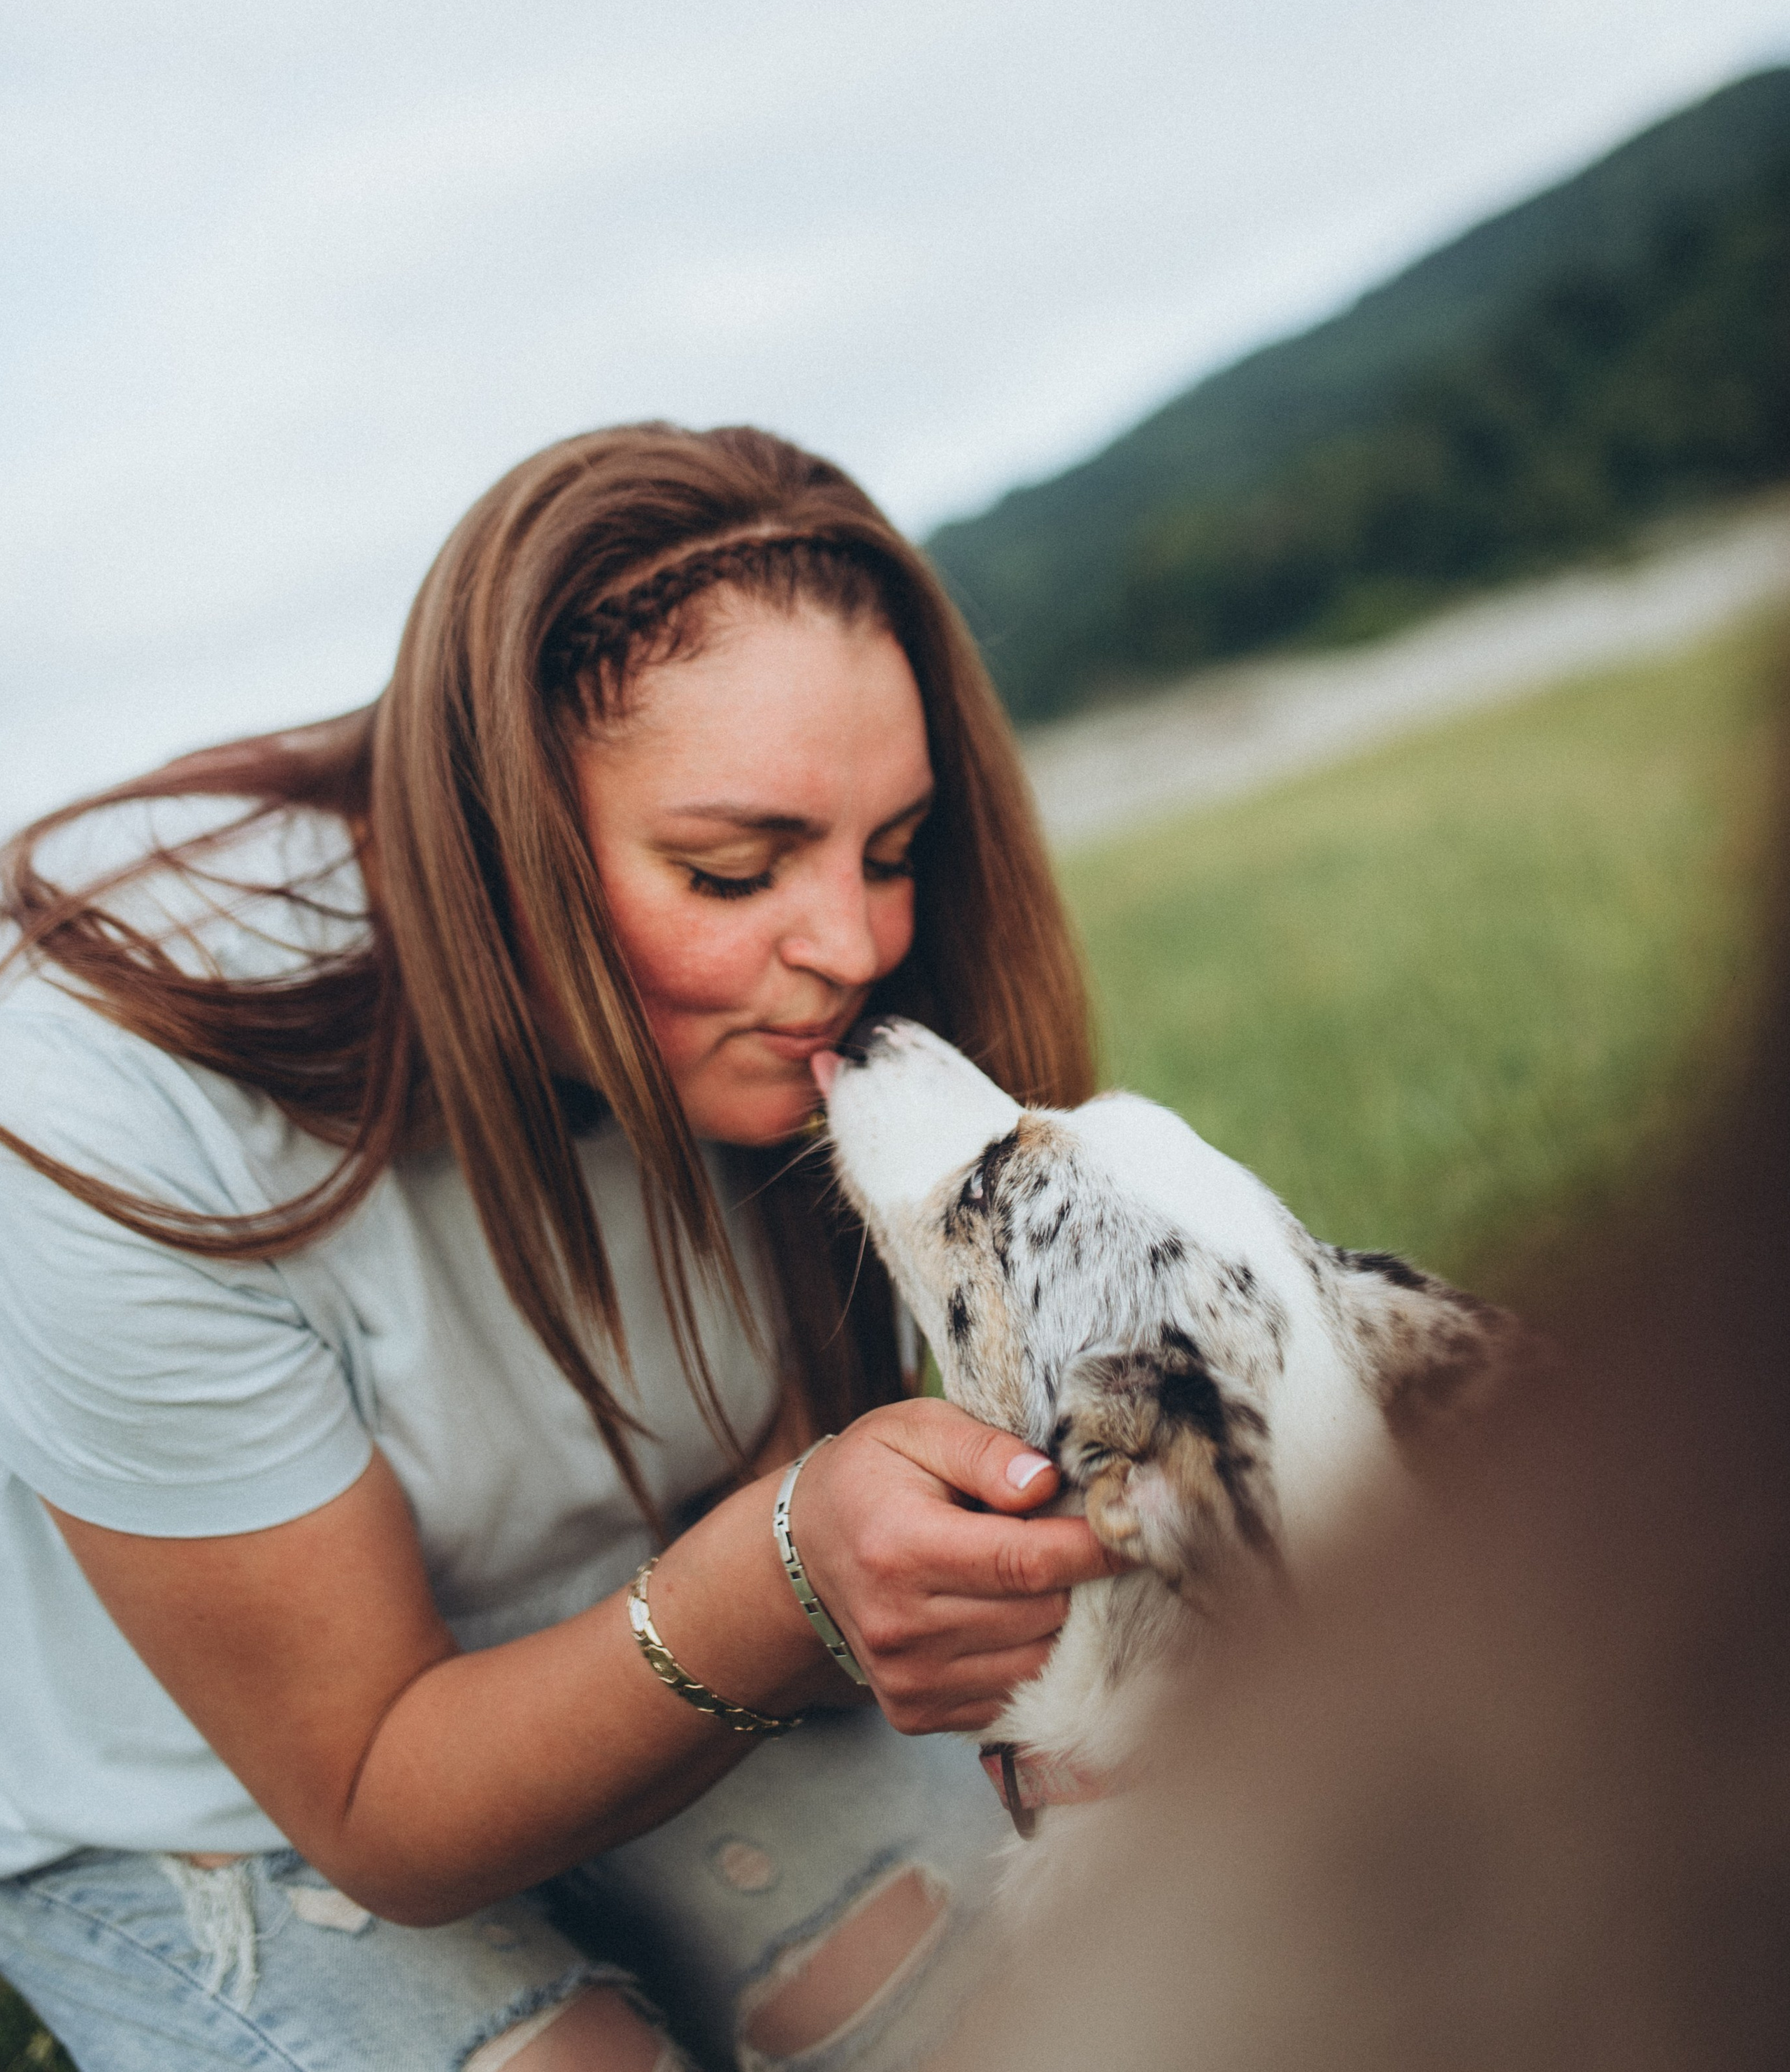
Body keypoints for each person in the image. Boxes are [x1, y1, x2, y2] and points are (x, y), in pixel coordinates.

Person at [0, 424, 1115, 2072]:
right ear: (492, 836)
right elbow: (379, 1801)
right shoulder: (99, 1090)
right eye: (729, 871)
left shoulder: (828, 994)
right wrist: (790, 1564)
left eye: (890, 853)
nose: (853, 948)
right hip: (223, 1802)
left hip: (671, 1646)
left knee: (1062, 1983)